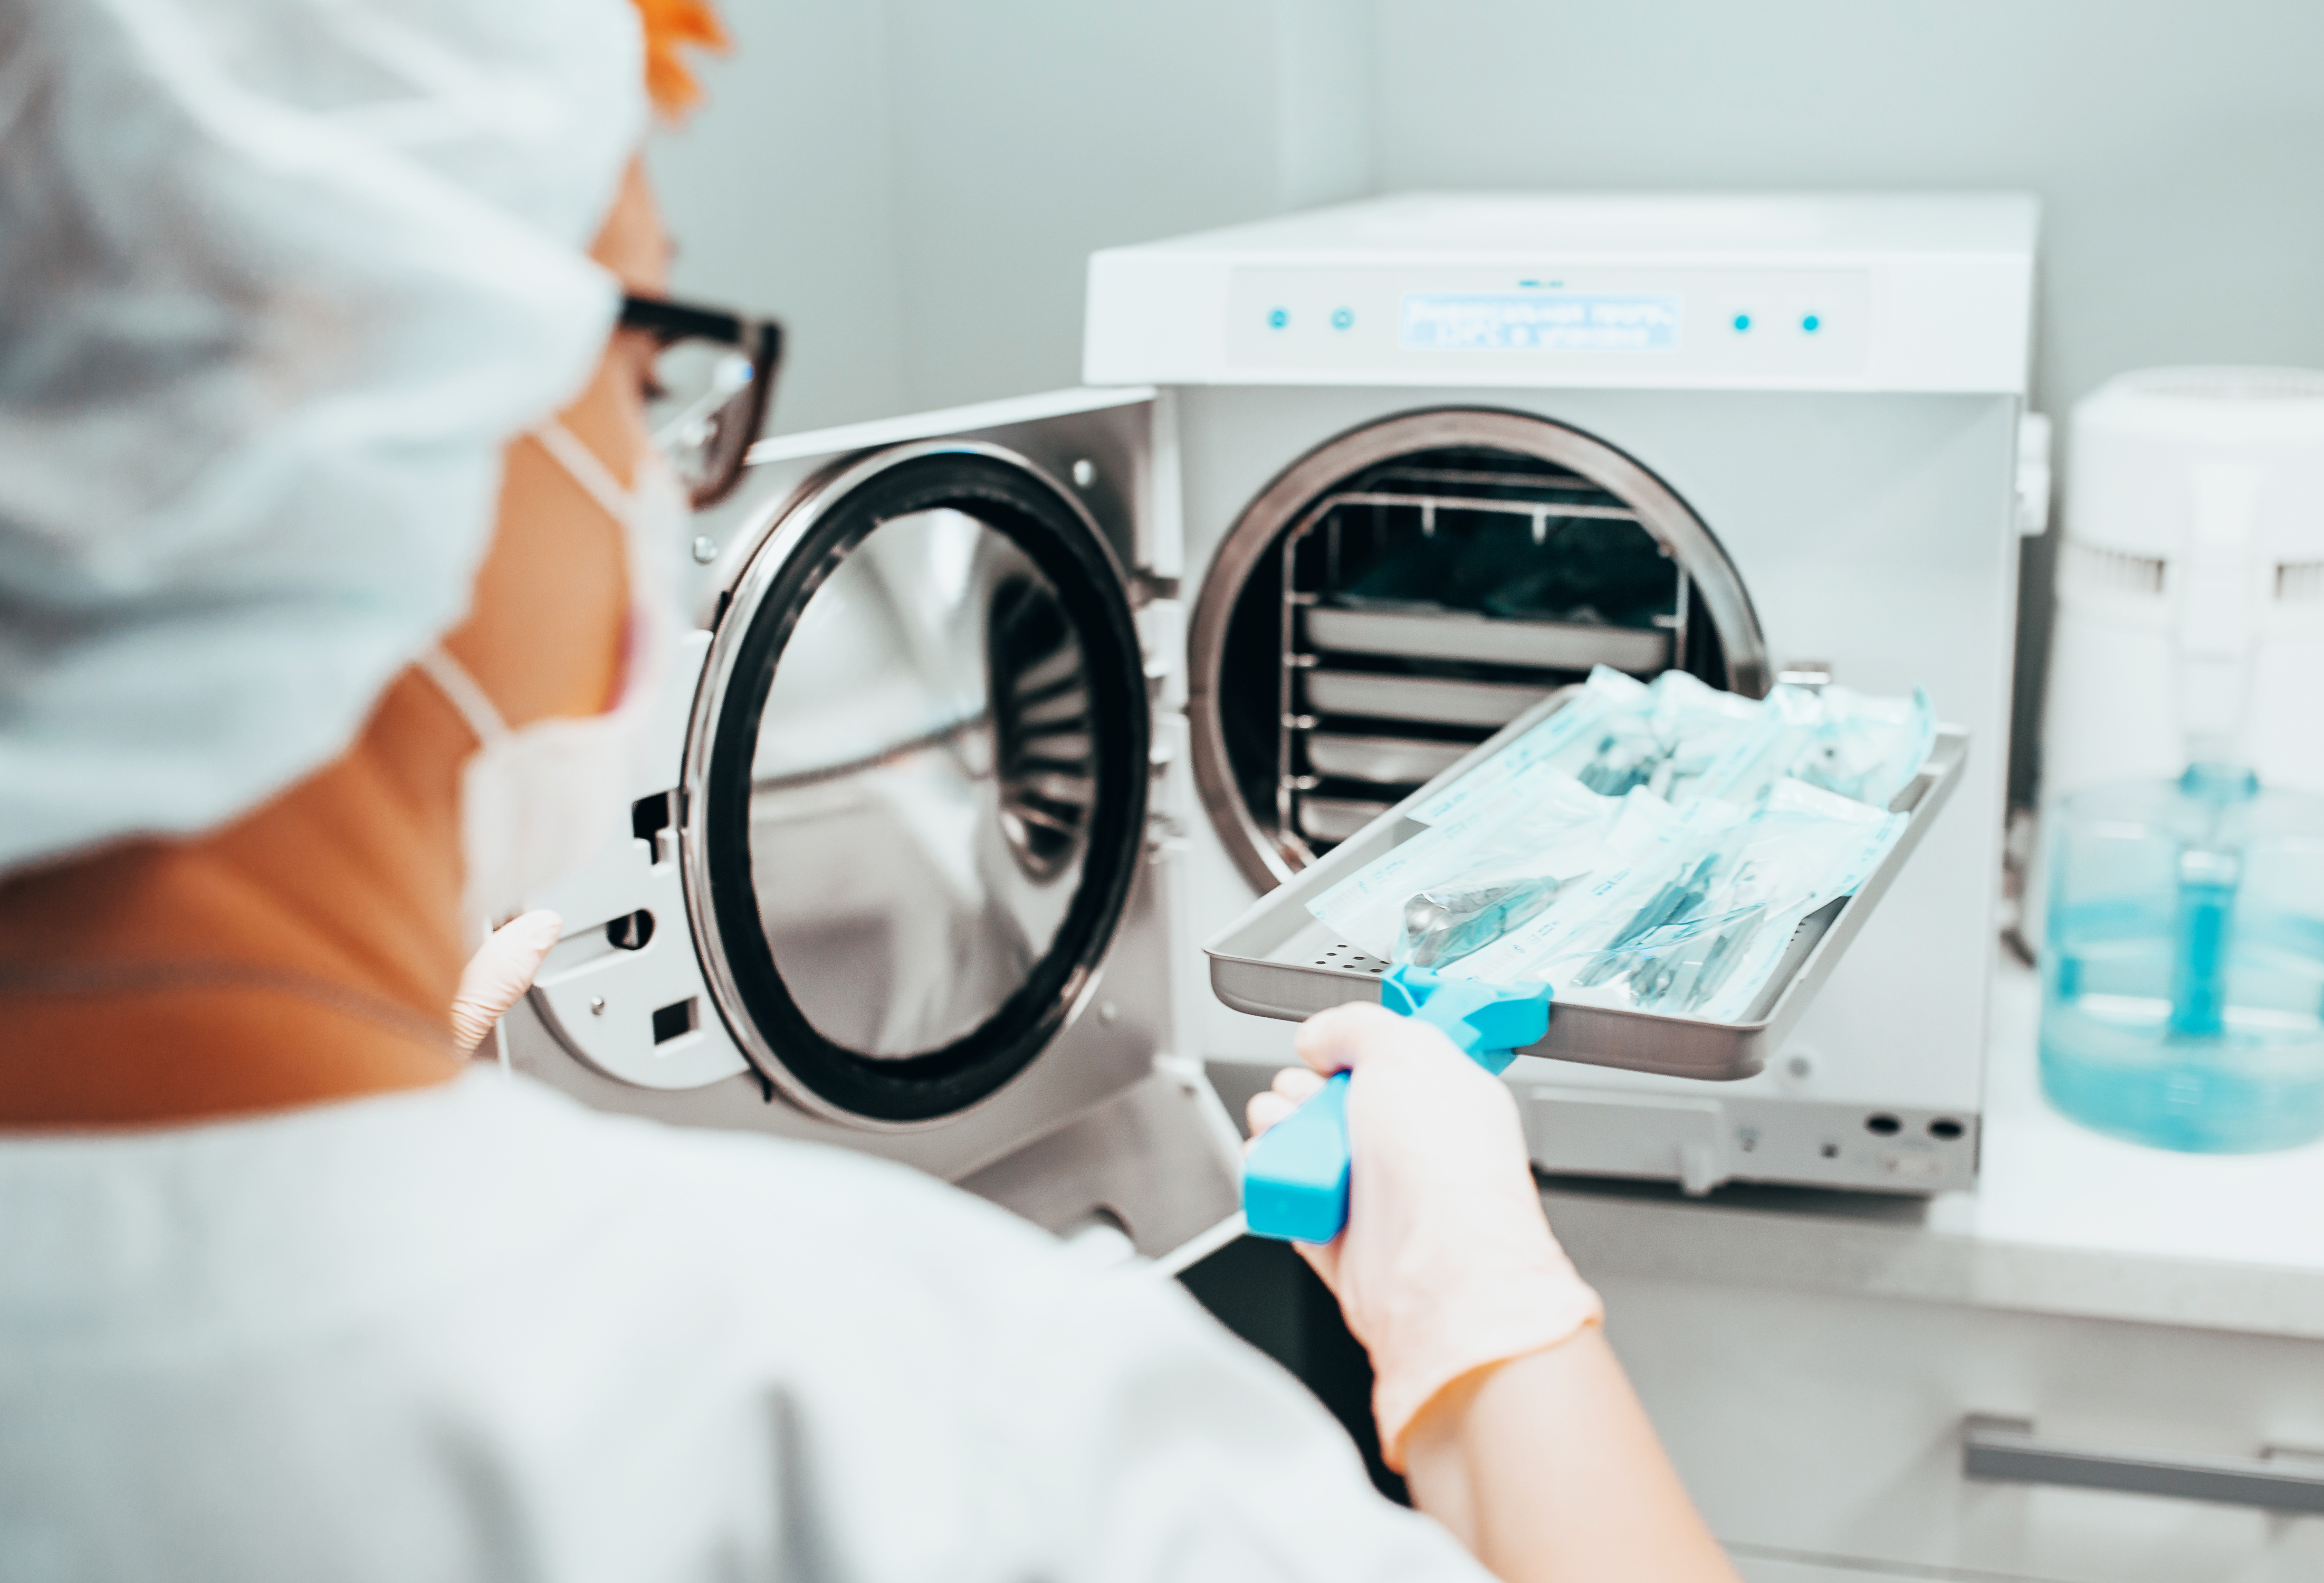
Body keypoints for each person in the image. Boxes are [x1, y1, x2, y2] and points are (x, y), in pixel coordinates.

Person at [0, 4, 1740, 1580]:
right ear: (378, 418)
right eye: (645, 358)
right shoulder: (901, 1416)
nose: (657, 460)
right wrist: (1485, 1330)